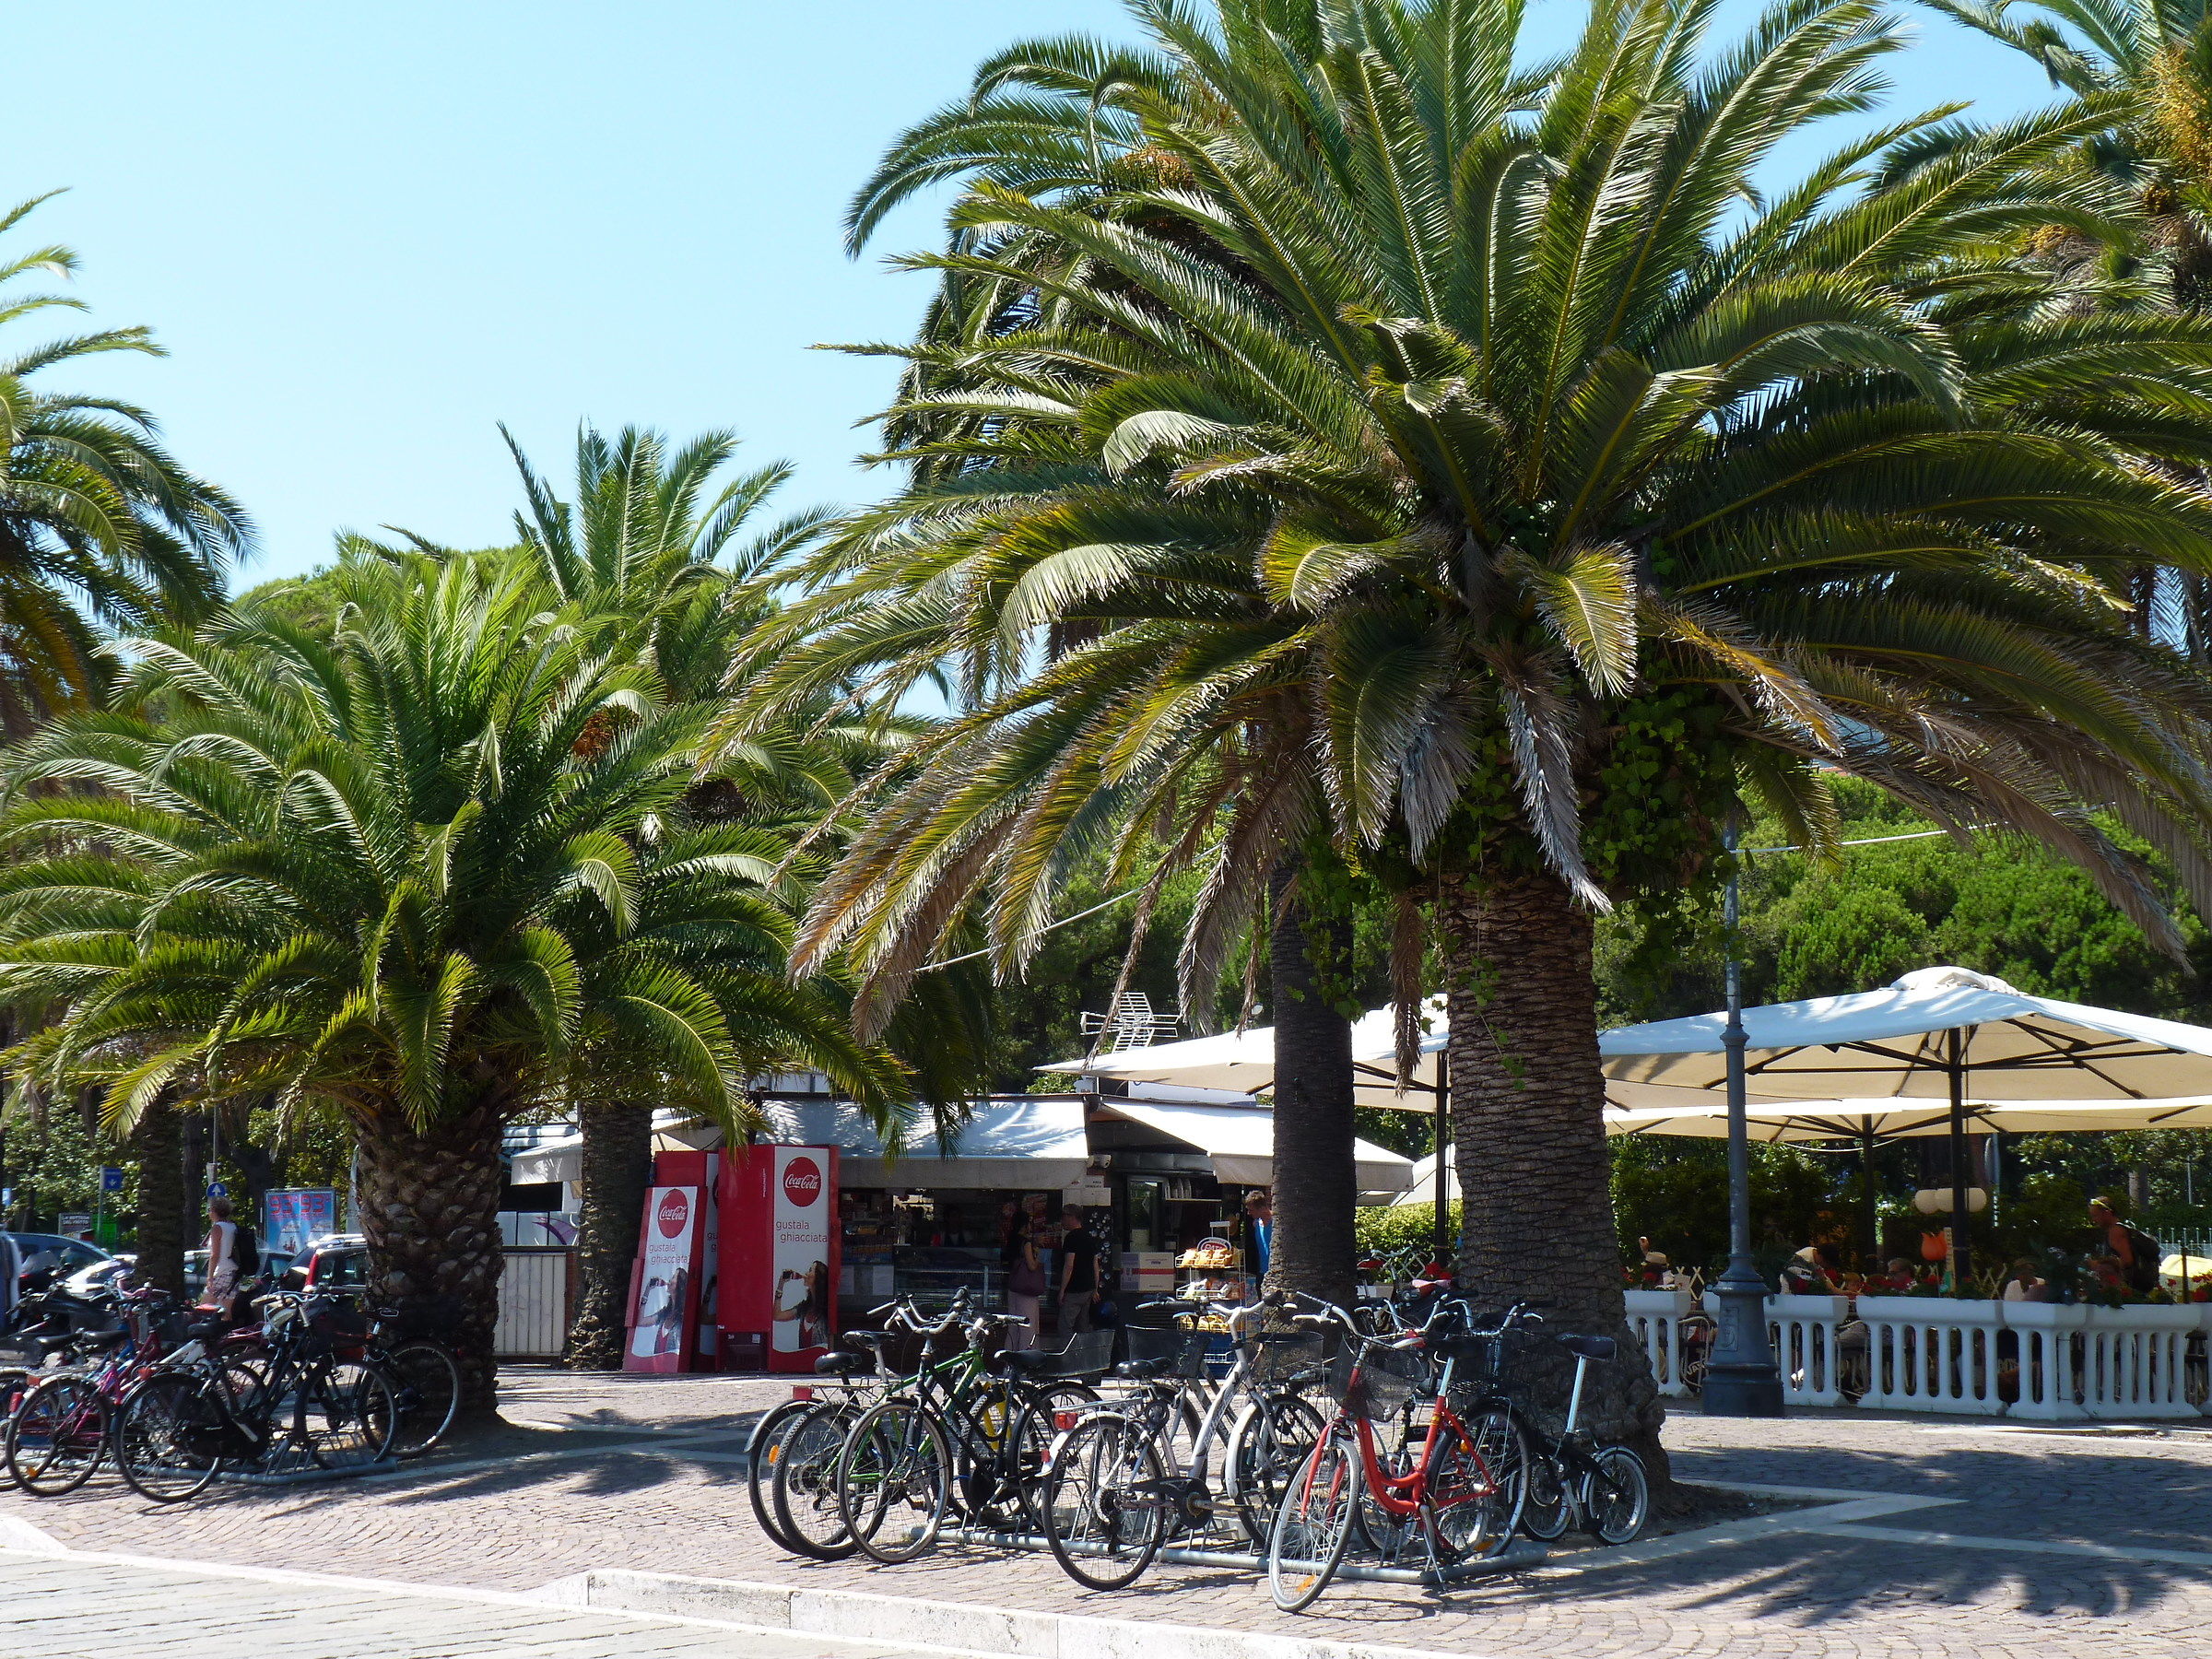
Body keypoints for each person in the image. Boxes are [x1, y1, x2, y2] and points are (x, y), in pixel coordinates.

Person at [2088, 1196, 2160, 1294]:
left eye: (2095, 1215)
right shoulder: (2122, 1229)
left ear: (2107, 1212)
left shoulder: (2116, 1231)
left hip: (2129, 1289)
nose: (2093, 1220)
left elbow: (2127, 1260)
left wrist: (2098, 1265)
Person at [1055, 1206, 1101, 1336]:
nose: (1062, 1220)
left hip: (1074, 1288)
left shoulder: (1071, 1238)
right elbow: (1095, 1265)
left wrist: (1062, 1290)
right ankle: (1083, 1349)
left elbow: (1069, 1265)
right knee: (1082, 1325)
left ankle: (1066, 1349)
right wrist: (1095, 1288)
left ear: (1072, 1217)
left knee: (1065, 1326)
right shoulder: (1089, 1237)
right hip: (1088, 1288)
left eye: (1063, 1216)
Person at [1004, 1210, 1046, 1349]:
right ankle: (1026, 1356)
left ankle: (1010, 1355)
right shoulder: (1025, 1242)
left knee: (1013, 1326)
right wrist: (1037, 1253)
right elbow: (1032, 1266)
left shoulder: (1011, 1240)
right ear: (1025, 1224)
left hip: (1013, 1286)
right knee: (1027, 1326)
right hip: (1027, 1289)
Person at [203, 1195, 241, 1314]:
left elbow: (215, 1255)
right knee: (226, 1313)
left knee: (204, 1309)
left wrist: (210, 1278)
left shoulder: (217, 1228)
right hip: (234, 1273)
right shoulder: (233, 1226)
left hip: (221, 1272)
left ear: (215, 1210)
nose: (208, 1213)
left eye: (209, 1210)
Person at [1244, 1190, 1272, 1278]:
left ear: (1262, 1208)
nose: (1249, 1213)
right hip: (1262, 1272)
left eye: (1251, 1210)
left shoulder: (1276, 1223)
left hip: (1275, 1271)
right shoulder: (1256, 1224)